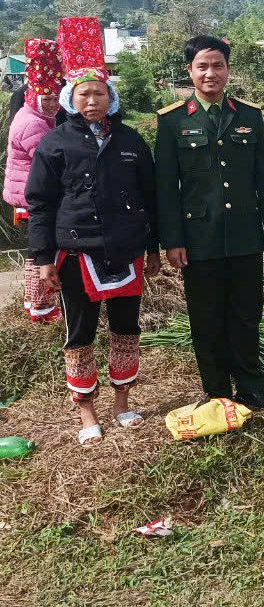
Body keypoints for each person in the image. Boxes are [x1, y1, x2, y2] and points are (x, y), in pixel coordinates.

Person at [25, 27, 160, 447]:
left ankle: (122, 403)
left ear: (110, 98)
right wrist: (43, 256)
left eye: (99, 93)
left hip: (126, 249)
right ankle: (86, 410)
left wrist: (152, 246)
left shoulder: (131, 141)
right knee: (80, 333)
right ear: (70, 98)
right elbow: (41, 203)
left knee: (126, 328)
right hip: (76, 252)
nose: (91, 101)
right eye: (83, 94)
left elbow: (150, 197)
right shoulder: (55, 143)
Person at [154, 35, 264, 410]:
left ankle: (251, 389)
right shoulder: (173, 120)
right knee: (207, 320)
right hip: (198, 239)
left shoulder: (249, 115)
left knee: (247, 316)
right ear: (189, 71)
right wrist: (172, 240)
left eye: (218, 65)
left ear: (228, 69)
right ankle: (217, 393)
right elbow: (165, 189)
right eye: (203, 66)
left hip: (245, 234)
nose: (211, 73)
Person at [4, 39, 64, 323]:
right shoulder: (32, 119)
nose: (53, 103)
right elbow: (51, 161)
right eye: (47, 99)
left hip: (30, 189)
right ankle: (41, 307)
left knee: (38, 249)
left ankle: (37, 304)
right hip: (33, 192)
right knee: (40, 251)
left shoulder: (39, 112)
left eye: (56, 98)